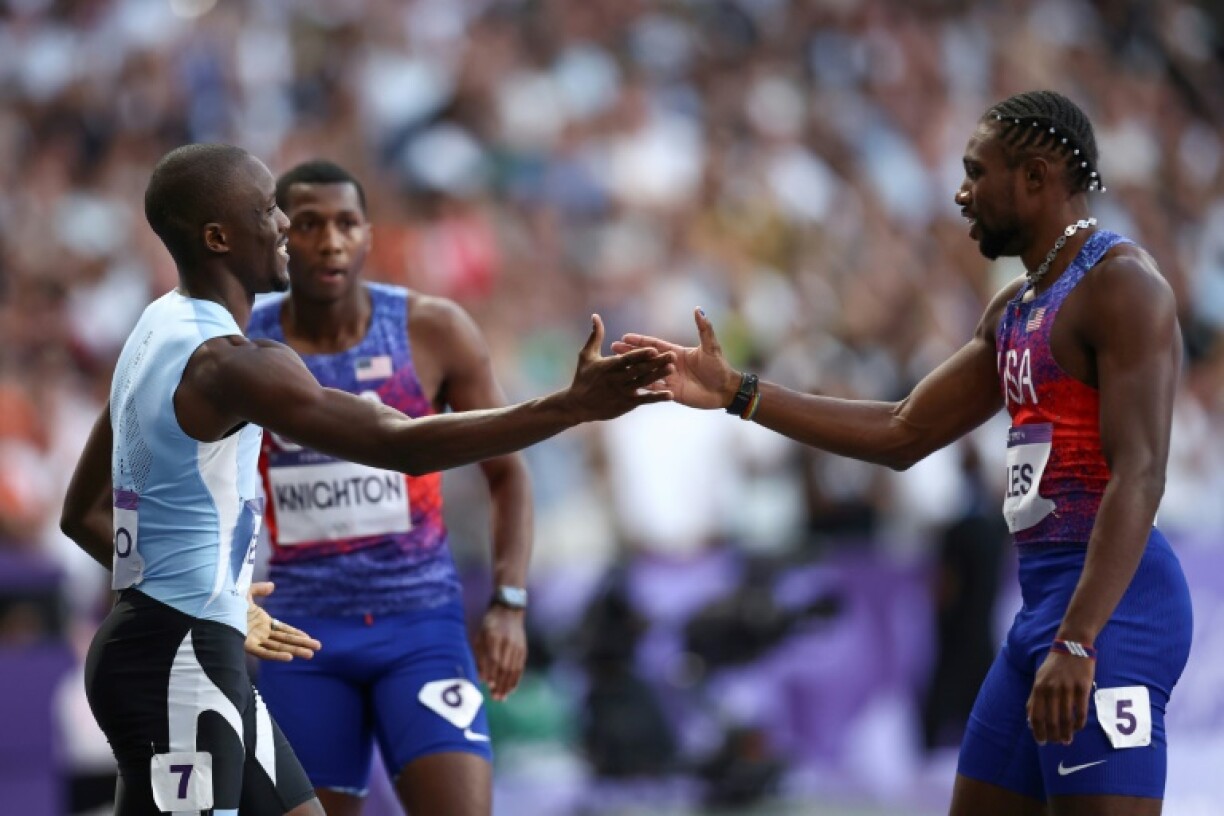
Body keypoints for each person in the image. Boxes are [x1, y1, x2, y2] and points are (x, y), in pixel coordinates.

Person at [614, 90, 1192, 816]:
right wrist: (738, 393)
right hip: (1045, 605)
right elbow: (902, 432)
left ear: (1037, 177)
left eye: (977, 172)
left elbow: (1141, 473)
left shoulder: (1123, 287)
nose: (960, 192)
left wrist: (1079, 641)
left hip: (1115, 611)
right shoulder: (1017, 307)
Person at [58, 143, 674, 816]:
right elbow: (398, 445)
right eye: (273, 212)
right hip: (177, 662)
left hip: (206, 639)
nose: (288, 231)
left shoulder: (155, 326)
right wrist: (570, 406)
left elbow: (82, 511)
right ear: (217, 237)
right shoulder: (234, 364)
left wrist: (212, 596)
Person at [244, 159, 530, 816]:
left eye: (346, 223)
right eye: (309, 225)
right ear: (281, 237)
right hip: (301, 633)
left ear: (371, 234)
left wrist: (509, 600)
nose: (331, 241)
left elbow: (509, 472)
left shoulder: (432, 331)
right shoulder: (243, 347)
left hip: (420, 626)